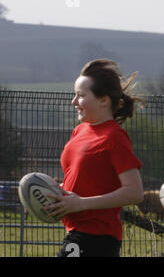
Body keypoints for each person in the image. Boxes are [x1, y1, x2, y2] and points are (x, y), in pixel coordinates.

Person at [46, 59, 144, 257]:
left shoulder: (114, 137)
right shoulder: (79, 131)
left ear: (104, 100)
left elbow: (135, 192)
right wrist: (57, 194)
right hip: (77, 234)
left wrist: (81, 203)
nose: (74, 102)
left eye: (81, 96)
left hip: (97, 239)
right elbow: (85, 181)